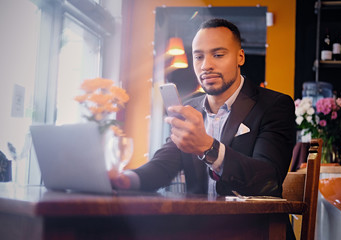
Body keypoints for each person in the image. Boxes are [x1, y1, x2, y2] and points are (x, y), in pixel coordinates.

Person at [109, 18, 296, 238]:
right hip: (199, 230)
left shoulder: (274, 105)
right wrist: (125, 178)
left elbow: (268, 180)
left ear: (240, 57)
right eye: (199, 56)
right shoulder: (189, 107)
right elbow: (163, 165)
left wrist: (209, 148)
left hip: (255, 230)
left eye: (218, 55)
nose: (206, 65)